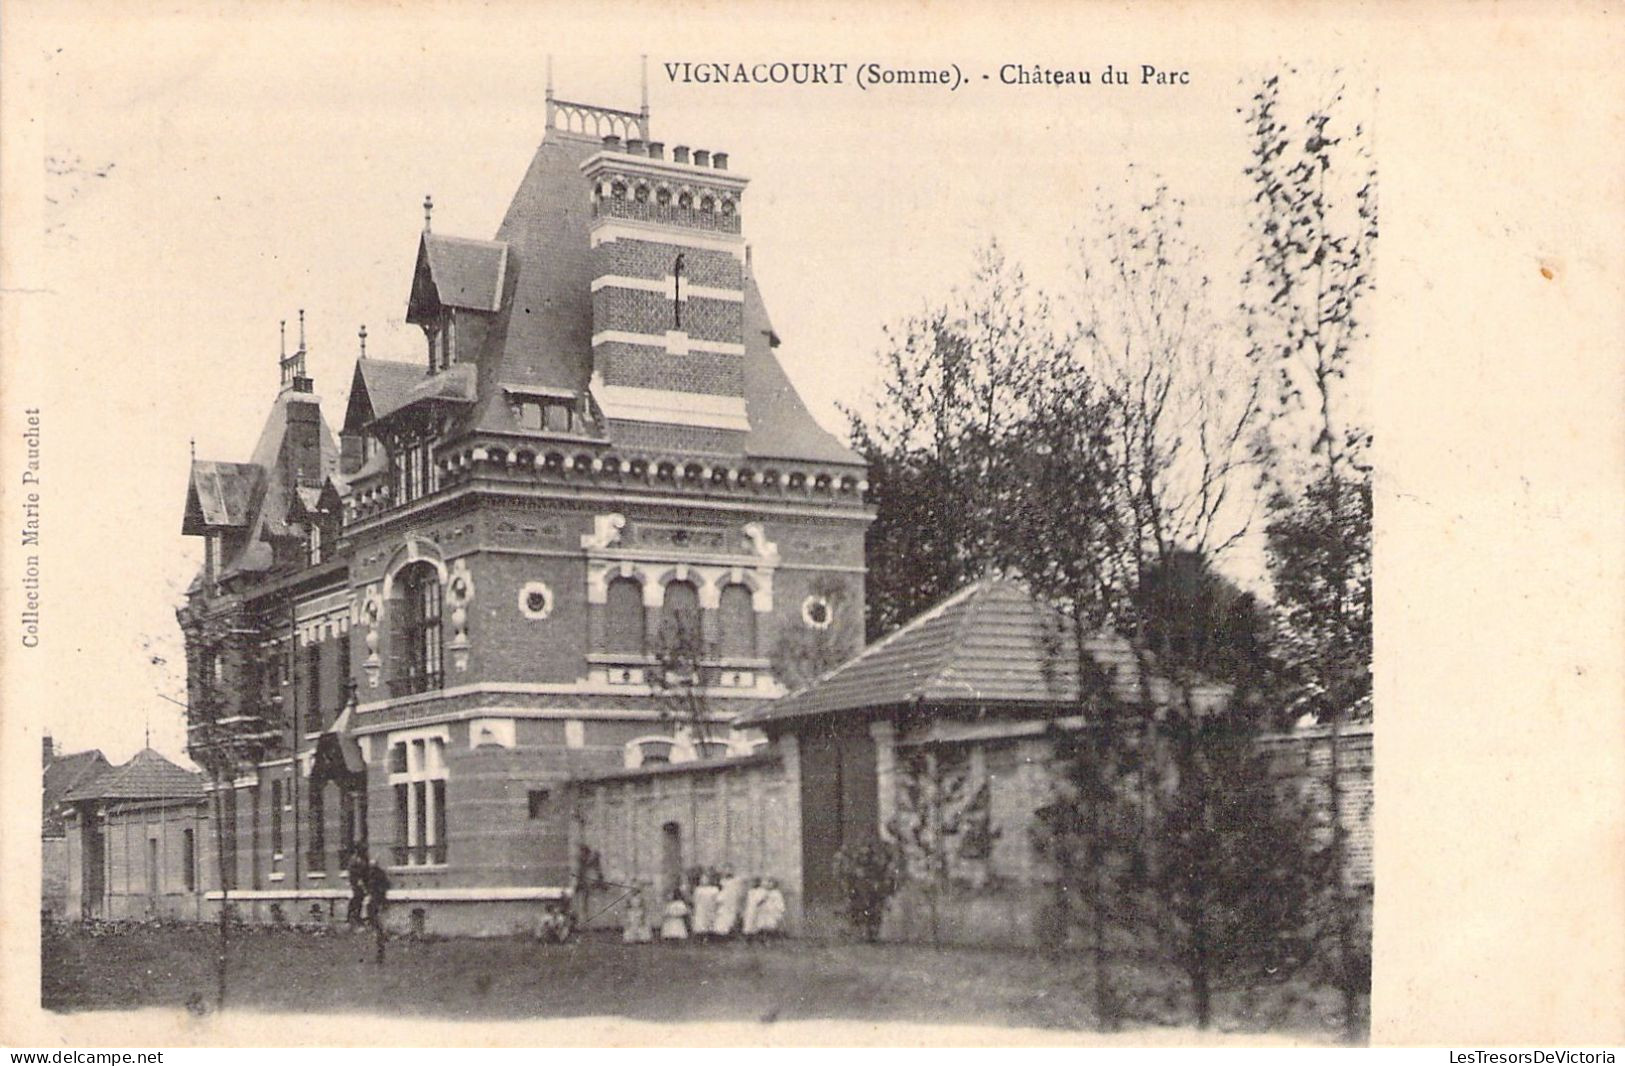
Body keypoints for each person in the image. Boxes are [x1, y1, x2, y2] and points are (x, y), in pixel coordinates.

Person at [713, 864, 747, 938]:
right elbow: (721, 891)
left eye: (729, 869)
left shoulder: (736, 881)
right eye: (726, 870)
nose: (727, 871)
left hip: (732, 901)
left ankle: (730, 933)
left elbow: (739, 892)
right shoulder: (722, 881)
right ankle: (721, 934)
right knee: (722, 916)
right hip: (724, 901)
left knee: (731, 917)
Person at [691, 869, 721, 942]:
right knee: (700, 921)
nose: (704, 880)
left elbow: (717, 899)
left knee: (710, 921)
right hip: (701, 907)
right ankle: (700, 937)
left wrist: (714, 906)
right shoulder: (698, 889)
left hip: (710, 907)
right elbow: (695, 899)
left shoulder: (714, 889)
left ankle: (709, 936)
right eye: (703, 879)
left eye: (706, 879)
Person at [345, 848, 369, 927]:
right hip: (356, 882)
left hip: (360, 882)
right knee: (357, 898)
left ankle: (357, 916)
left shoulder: (362, 859)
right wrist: (358, 881)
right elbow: (353, 872)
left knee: (360, 898)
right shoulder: (355, 860)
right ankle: (351, 916)